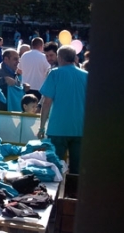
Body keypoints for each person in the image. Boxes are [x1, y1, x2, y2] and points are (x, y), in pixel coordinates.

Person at [38, 45, 88, 174]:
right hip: (80, 129)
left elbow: (47, 103)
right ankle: (72, 193)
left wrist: (42, 127)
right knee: (76, 170)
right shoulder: (87, 75)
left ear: (59, 58)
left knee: (55, 168)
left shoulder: (54, 73)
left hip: (58, 129)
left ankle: (54, 194)